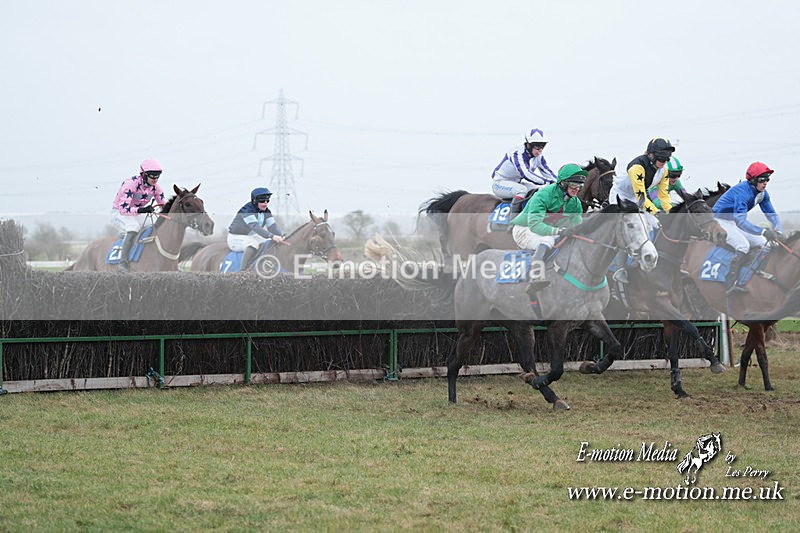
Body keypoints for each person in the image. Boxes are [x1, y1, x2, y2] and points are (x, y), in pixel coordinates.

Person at [510, 163, 586, 292]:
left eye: (580, 186)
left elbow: (578, 227)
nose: (577, 189)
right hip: (524, 230)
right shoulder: (544, 195)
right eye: (573, 185)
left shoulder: (575, 203)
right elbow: (534, 225)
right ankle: (535, 275)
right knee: (549, 240)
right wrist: (560, 231)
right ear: (563, 183)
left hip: (546, 231)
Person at [608, 137, 675, 282]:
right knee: (629, 227)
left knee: (656, 224)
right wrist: (656, 212)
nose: (663, 162)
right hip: (621, 196)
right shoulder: (637, 167)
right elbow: (642, 199)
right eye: (661, 158)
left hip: (638, 198)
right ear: (651, 155)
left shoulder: (664, 169)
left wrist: (670, 212)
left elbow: (663, 194)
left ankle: (648, 259)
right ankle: (619, 268)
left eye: (667, 159)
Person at [713, 162, 783, 295]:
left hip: (732, 221)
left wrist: (778, 230)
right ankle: (730, 282)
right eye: (762, 180)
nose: (765, 183)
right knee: (743, 245)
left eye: (767, 179)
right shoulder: (742, 192)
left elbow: (772, 214)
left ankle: (754, 274)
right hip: (719, 220)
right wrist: (763, 231)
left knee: (763, 243)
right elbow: (741, 222)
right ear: (753, 180)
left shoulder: (762, 194)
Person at [110, 158, 167, 270]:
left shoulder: (156, 187)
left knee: (154, 225)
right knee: (134, 227)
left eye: (157, 176)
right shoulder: (130, 184)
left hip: (136, 213)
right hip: (119, 213)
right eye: (152, 176)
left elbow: (163, 204)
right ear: (144, 174)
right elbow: (123, 209)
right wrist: (142, 210)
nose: (155, 179)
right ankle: (123, 262)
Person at [491, 128, 559, 218]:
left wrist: (560, 182)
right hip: (499, 184)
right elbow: (526, 173)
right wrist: (547, 182)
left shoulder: (538, 156)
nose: (540, 150)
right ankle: (513, 221)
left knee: (538, 190)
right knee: (521, 190)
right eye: (537, 147)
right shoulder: (517, 153)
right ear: (529, 145)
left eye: (542, 147)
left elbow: (547, 172)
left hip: (516, 183)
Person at [228, 187, 286, 271]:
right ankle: (243, 271)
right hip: (235, 238)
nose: (265, 204)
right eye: (262, 201)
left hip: (250, 236)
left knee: (267, 242)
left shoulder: (267, 211)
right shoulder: (247, 210)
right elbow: (256, 227)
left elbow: (272, 226)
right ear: (255, 201)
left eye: (267, 201)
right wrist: (272, 236)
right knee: (253, 244)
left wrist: (281, 235)